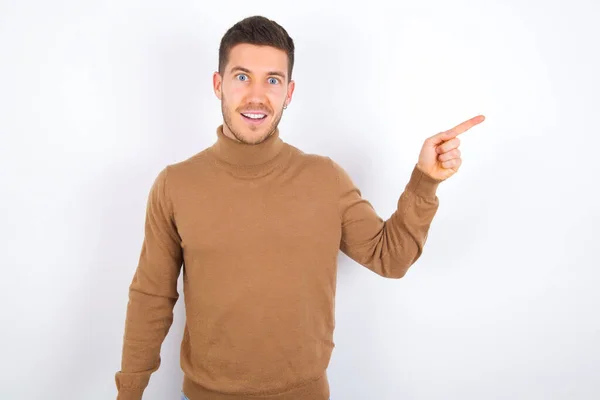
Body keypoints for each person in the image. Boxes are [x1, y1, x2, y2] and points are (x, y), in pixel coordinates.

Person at [114, 15, 485, 400]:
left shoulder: (325, 178)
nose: (256, 95)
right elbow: (152, 297)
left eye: (272, 80)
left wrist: (424, 181)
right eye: (242, 77)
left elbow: (390, 258)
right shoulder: (176, 184)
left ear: (288, 92)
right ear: (218, 84)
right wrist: (130, 391)